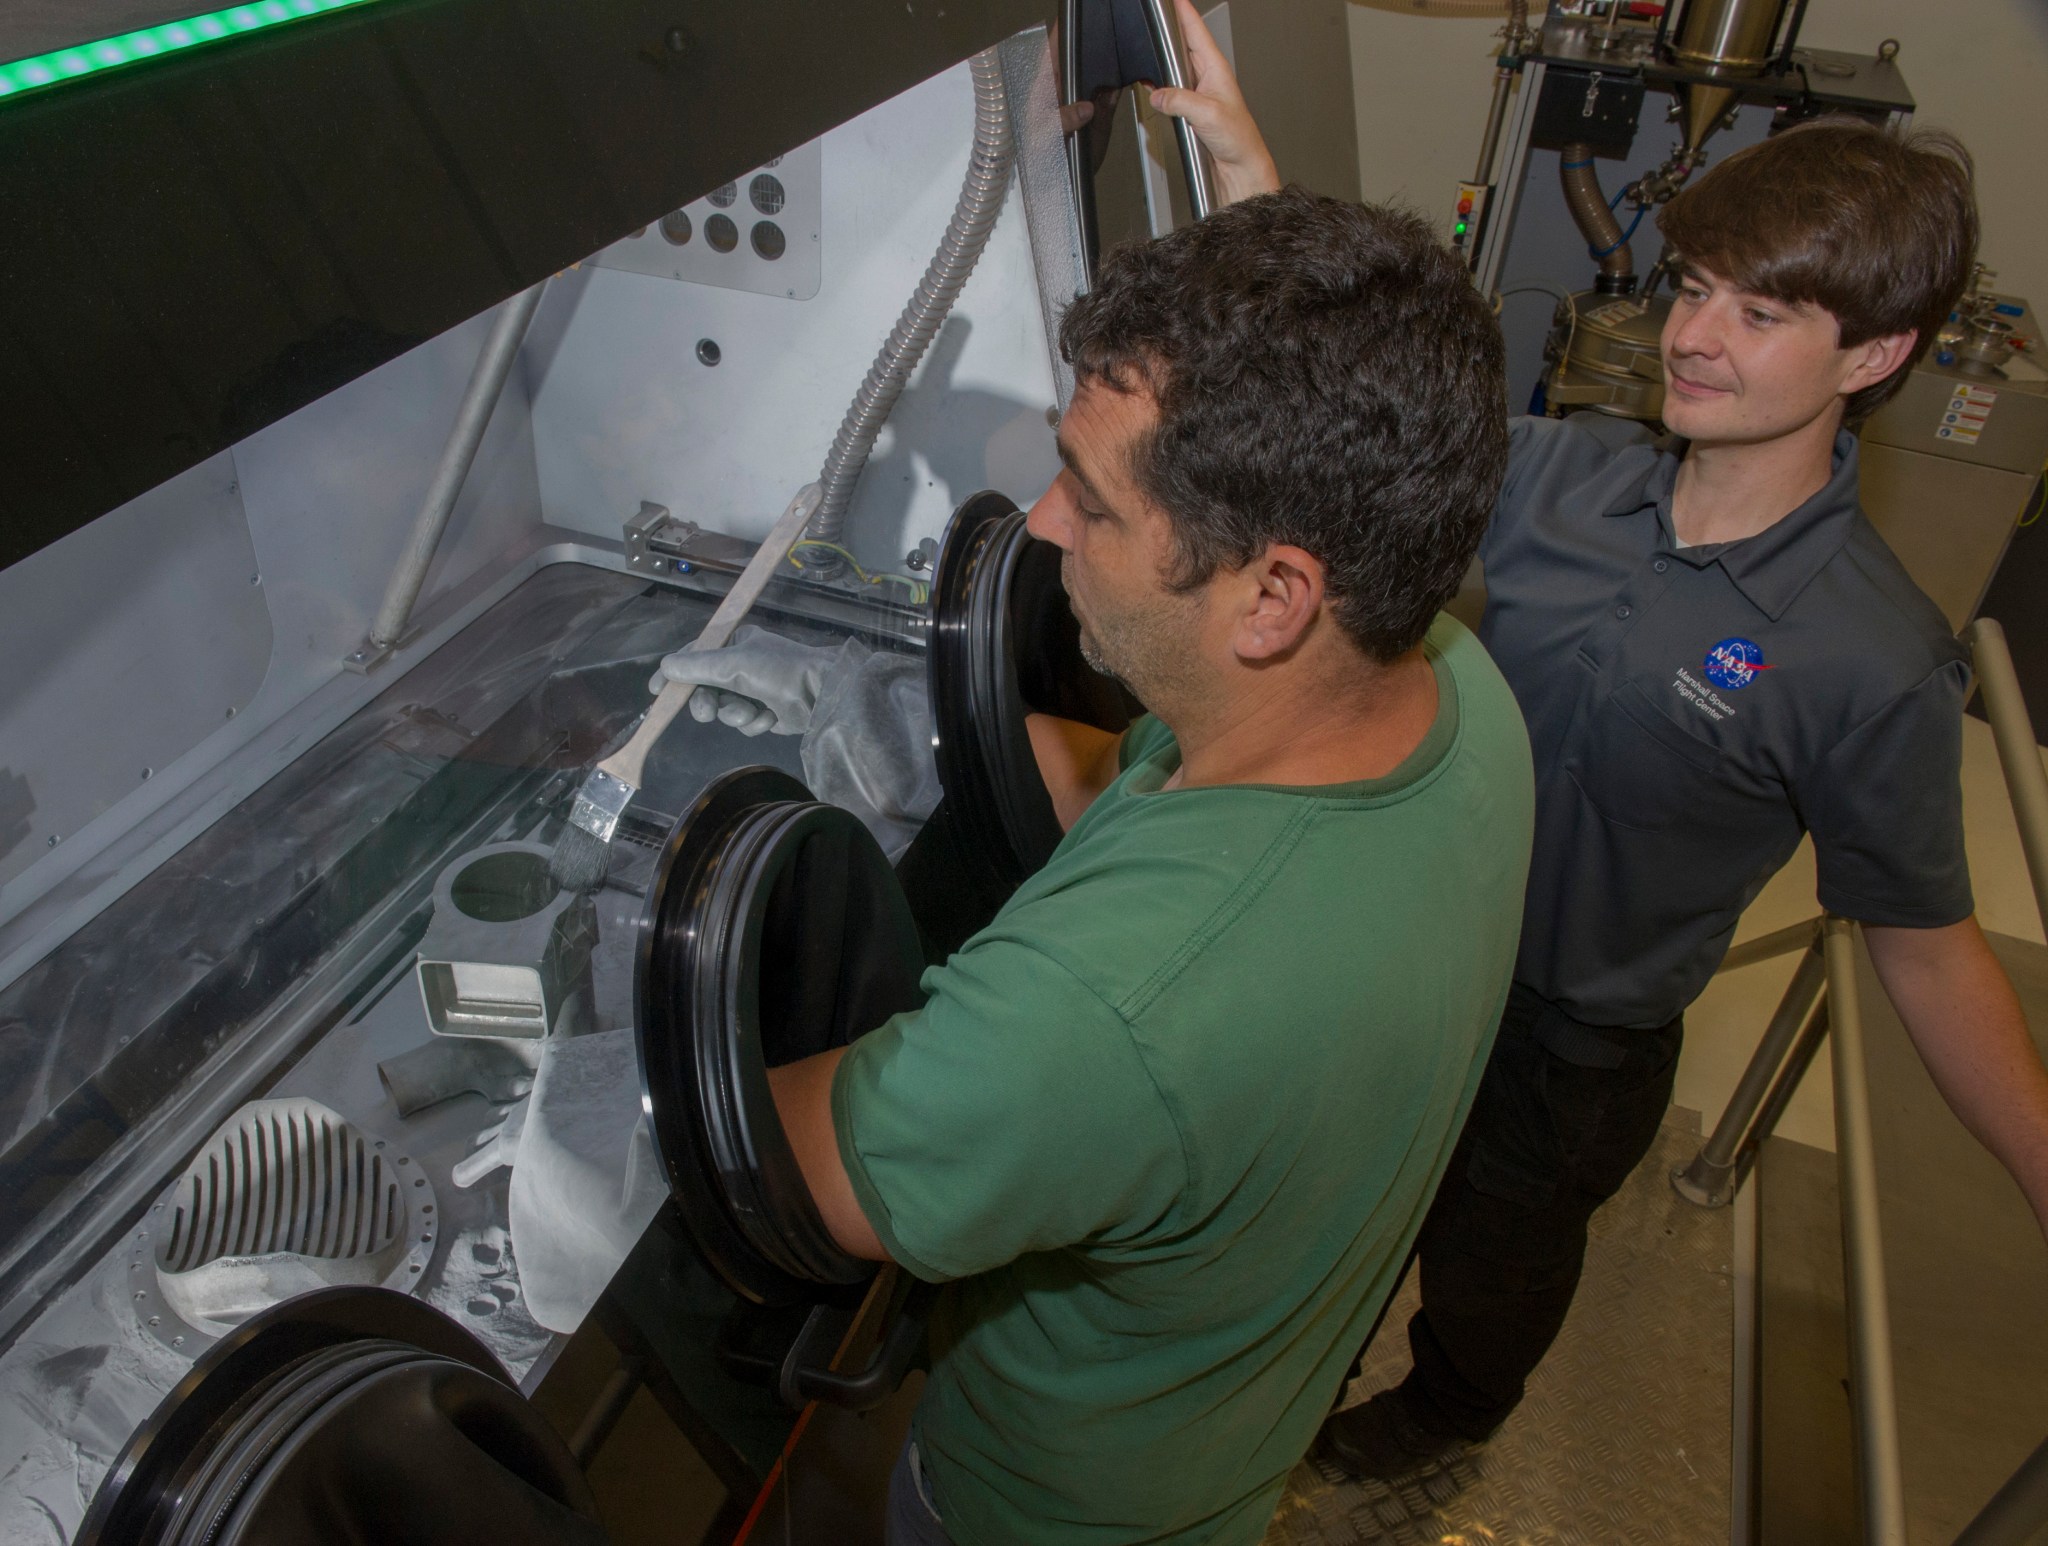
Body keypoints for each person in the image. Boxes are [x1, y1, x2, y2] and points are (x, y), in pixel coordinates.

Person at [1154, 6, 2048, 1484]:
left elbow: (1926, 940)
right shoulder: (1557, 472)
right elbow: (1364, 402)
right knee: (1341, 1201)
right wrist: (1255, 174)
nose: (1692, 334)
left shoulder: (1873, 660)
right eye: (1696, 287)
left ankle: (1454, 1407)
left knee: (1497, 1258)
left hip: (1577, 1043)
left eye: (1761, 314)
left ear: (1875, 352)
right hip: (1407, 952)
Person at [652, 189, 1534, 1542]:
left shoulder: (1101, 1015)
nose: (1048, 524)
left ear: (1273, 596)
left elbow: (786, 1155)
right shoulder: (1458, 702)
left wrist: (610, 1003)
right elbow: (1144, 802)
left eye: (1097, 502)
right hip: (1222, 1446)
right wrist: (883, 713)